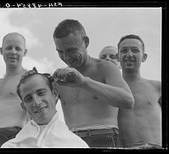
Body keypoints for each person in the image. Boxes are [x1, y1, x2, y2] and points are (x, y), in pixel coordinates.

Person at [52, 19, 135, 148]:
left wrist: (84, 83)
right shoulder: (59, 79)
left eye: (71, 50)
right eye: (60, 52)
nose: (66, 57)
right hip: (71, 141)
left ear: (86, 42)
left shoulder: (105, 68)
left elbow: (128, 101)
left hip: (104, 137)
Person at [1, 68, 89, 148]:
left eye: (41, 93)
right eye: (29, 99)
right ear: (24, 106)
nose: (36, 102)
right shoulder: (10, 146)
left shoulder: (77, 144)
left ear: (54, 94)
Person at [116, 34, 162, 149]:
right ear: (118, 57)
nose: (129, 54)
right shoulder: (111, 90)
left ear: (144, 57)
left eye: (135, 50)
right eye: (124, 50)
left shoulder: (158, 87)